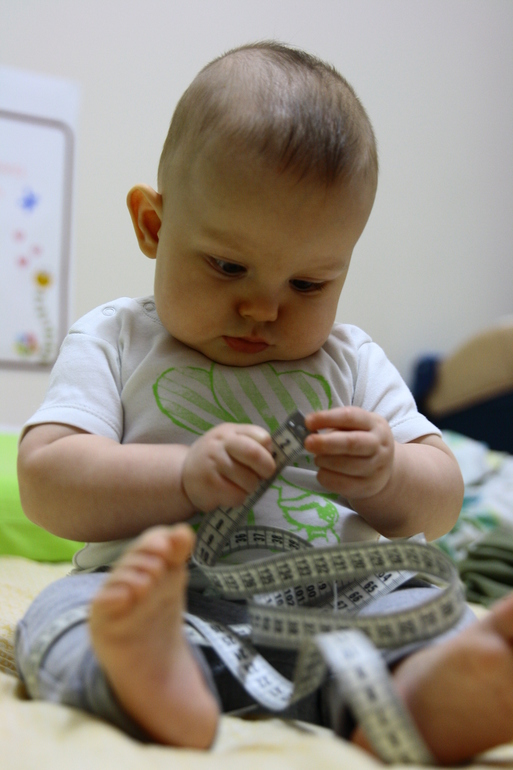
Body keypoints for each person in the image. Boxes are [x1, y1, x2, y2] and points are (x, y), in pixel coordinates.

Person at [15, 42, 513, 765]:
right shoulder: (114, 339)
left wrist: (387, 475)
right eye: (228, 266)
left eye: (308, 284)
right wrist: (182, 477)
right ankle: (152, 680)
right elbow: (47, 481)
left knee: (413, 605)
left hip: (338, 603)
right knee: (65, 616)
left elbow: (438, 505)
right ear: (153, 226)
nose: (262, 308)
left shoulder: (351, 361)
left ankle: (422, 695)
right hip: (161, 599)